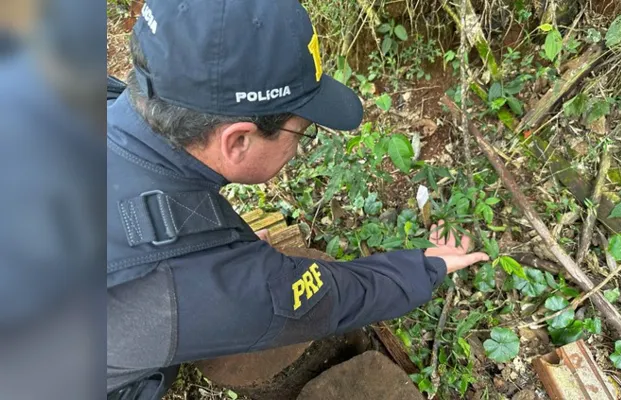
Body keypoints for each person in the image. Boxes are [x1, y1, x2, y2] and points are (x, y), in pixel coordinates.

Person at [106, 1, 488, 398]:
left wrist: (221, 260)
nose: (298, 149)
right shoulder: (203, 285)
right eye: (302, 131)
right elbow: (333, 299)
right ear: (238, 141)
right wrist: (426, 266)